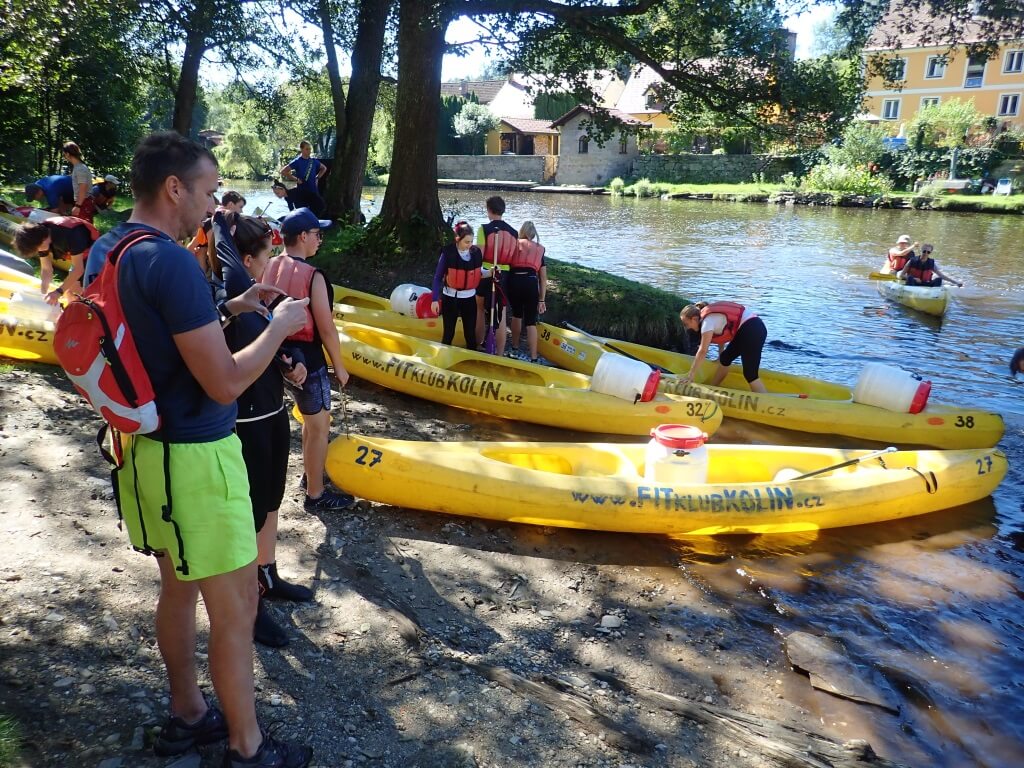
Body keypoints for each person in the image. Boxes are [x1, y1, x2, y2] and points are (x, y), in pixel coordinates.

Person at [89, 131, 313, 767]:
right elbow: (224, 381)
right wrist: (277, 328)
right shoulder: (174, 263)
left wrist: (233, 307)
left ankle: (188, 714)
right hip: (197, 459)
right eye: (210, 192)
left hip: (140, 449)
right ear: (174, 188)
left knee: (178, 588)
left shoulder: (111, 247)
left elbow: (156, 338)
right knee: (237, 607)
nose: (215, 206)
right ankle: (247, 747)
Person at [213, 211, 314, 649]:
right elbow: (225, 252)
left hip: (273, 414)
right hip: (246, 425)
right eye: (267, 255)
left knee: (271, 501)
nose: (271, 262)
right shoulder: (231, 290)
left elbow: (271, 346)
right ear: (247, 259)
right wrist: (221, 222)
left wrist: (293, 365)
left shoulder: (257, 297)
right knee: (248, 514)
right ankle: (249, 604)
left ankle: (267, 575)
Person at [263, 207, 353, 512]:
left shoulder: (269, 264)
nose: (319, 240)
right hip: (308, 362)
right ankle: (316, 494)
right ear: (302, 236)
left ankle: (310, 475)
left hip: (277, 355)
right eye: (317, 234)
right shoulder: (313, 276)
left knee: (309, 421)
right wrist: (339, 367)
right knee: (319, 427)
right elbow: (326, 328)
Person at [679, 301, 769, 393]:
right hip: (748, 328)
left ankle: (765, 400)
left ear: (694, 319)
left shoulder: (706, 323)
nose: (687, 328)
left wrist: (690, 375)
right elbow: (721, 335)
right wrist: (720, 356)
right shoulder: (708, 318)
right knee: (725, 359)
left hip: (752, 330)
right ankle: (712, 389)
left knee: (750, 375)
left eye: (686, 324)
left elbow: (703, 351)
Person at [12, 216, 98, 303]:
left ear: (43, 239)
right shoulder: (41, 236)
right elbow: (46, 269)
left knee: (74, 295)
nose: (39, 250)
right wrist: (43, 293)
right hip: (79, 255)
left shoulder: (71, 235)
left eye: (39, 247)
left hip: (95, 255)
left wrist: (58, 292)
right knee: (68, 294)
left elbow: (78, 270)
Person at [475, 196, 518, 357]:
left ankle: (478, 346)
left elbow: (478, 255)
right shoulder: (514, 232)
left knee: (479, 309)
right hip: (504, 275)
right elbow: (514, 258)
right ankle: (499, 353)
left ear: (489, 210)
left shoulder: (484, 229)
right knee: (502, 313)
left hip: (486, 272)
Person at [431, 221, 482, 350]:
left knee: (470, 334)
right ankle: (442, 356)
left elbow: (479, 273)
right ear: (457, 239)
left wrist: (492, 272)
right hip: (450, 298)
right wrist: (434, 299)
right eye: (466, 242)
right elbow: (437, 277)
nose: (470, 245)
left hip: (469, 299)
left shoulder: (475, 253)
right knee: (448, 333)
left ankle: (472, 358)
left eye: (471, 241)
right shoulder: (448, 253)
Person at [506, 220, 548, 363]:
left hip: (515, 281)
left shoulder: (514, 244)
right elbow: (543, 278)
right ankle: (534, 357)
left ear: (521, 231)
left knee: (517, 314)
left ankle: (514, 349)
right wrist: (542, 299)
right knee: (531, 321)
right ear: (534, 234)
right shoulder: (540, 249)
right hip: (531, 283)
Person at [279, 141, 327, 217]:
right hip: (301, 194)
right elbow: (283, 171)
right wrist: (296, 179)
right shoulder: (297, 161)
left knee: (317, 213)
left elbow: (324, 168)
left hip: (313, 193)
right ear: (301, 149)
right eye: (307, 149)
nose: (309, 151)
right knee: (303, 215)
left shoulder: (313, 161)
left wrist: (317, 178)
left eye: (310, 149)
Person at [898, 244, 963, 287]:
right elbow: (901, 275)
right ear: (921, 250)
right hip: (913, 283)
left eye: (928, 252)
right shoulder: (911, 261)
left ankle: (935, 296)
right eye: (924, 251)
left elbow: (941, 275)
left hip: (926, 284)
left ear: (930, 253)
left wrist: (955, 282)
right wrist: (914, 278)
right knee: (910, 278)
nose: (926, 253)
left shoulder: (931, 263)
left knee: (939, 279)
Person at [63, 142, 93, 219]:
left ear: (68, 154)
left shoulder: (80, 169)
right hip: (82, 202)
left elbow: (83, 188)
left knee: (83, 225)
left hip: (84, 203)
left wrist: (78, 206)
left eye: (64, 154)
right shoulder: (78, 167)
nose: (64, 156)